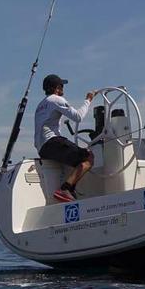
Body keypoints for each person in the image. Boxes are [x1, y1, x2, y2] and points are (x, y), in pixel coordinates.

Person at [34, 74, 94, 203]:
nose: (63, 89)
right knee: (88, 157)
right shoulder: (56, 99)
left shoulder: (41, 105)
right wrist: (88, 100)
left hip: (42, 148)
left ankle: (70, 189)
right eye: (61, 86)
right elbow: (78, 117)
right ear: (57, 88)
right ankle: (65, 189)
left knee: (74, 157)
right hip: (52, 142)